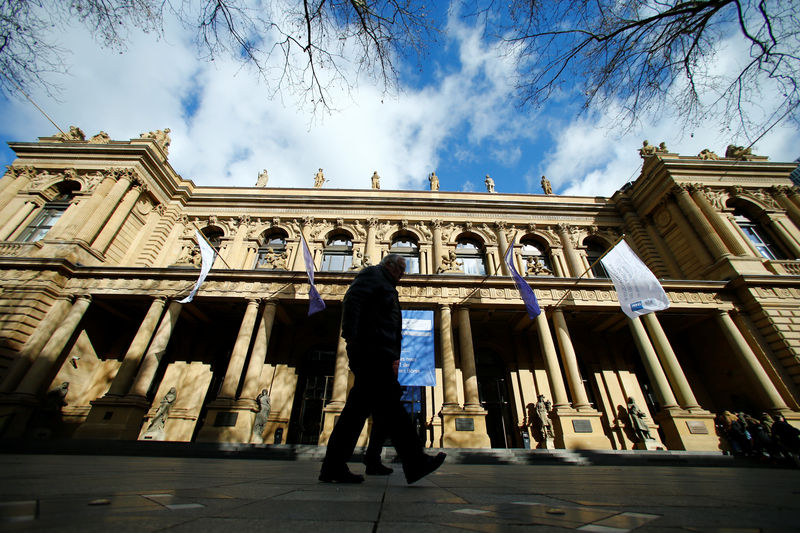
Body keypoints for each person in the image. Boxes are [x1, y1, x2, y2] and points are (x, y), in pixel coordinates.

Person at [320, 254, 446, 484]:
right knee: (391, 406)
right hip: (371, 352)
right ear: (388, 264)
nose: (402, 273)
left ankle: (336, 466)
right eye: (400, 268)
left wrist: (393, 357)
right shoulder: (372, 275)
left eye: (404, 270)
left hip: (378, 353)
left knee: (359, 411)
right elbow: (352, 301)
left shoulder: (385, 283)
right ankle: (415, 461)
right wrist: (353, 340)